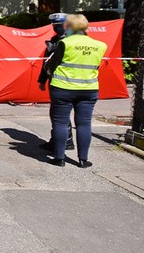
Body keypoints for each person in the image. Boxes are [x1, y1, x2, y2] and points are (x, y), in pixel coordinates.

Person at [41, 14, 107, 168]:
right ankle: (83, 160)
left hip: (63, 88)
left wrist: (47, 69)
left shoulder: (65, 43)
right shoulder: (100, 45)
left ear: (69, 27)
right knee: (84, 124)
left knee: (61, 123)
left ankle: (59, 158)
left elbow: (51, 65)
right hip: (88, 88)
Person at [38, 13, 75, 152]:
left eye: (59, 26)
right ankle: (57, 139)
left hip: (68, 82)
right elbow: (47, 62)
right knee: (55, 113)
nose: (56, 28)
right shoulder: (54, 40)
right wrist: (42, 80)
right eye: (54, 26)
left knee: (61, 113)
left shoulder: (72, 41)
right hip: (55, 81)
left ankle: (66, 141)